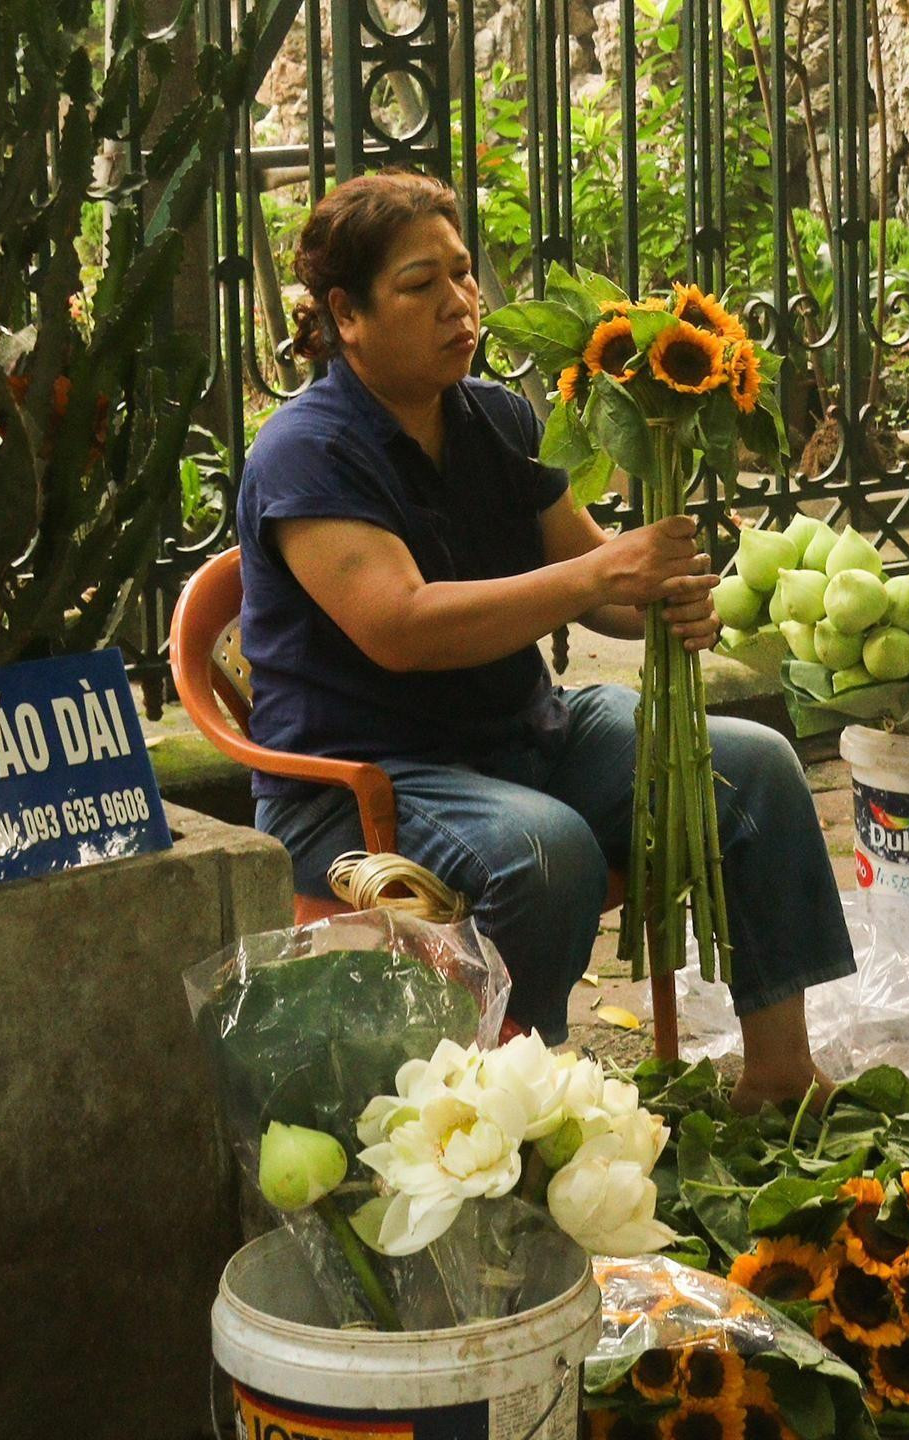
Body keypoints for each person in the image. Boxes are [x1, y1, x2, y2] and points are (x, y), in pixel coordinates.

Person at [235, 170, 851, 1112]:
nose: (459, 304)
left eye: (464, 273)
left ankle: (779, 1076)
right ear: (344, 315)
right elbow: (400, 626)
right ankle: (525, 1124)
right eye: (419, 285)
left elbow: (597, 587)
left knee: (755, 766)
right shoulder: (304, 451)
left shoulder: (499, 419)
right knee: (545, 850)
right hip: (362, 788)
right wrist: (599, 577)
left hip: (519, 740)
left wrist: (671, 597)